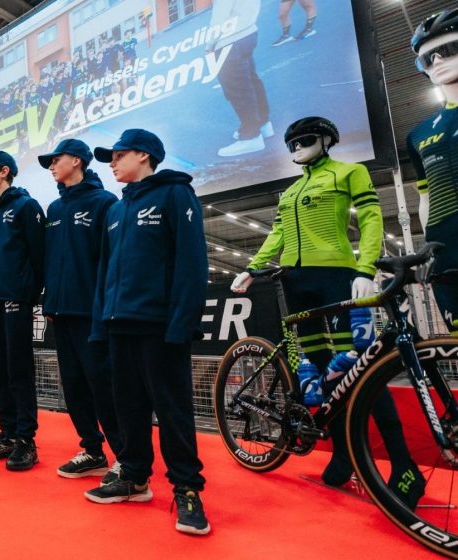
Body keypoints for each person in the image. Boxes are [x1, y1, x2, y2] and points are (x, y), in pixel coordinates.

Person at [232, 117, 425, 503]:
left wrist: (365, 267)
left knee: (361, 367)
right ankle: (342, 455)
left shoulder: (349, 172)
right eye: (290, 144)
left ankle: (403, 464)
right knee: (320, 370)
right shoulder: (290, 191)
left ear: (326, 140)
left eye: (304, 140)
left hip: (337, 275)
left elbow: (370, 218)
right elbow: (278, 234)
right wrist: (253, 267)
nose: (296, 148)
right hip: (295, 281)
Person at [87, 129, 210, 536]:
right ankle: (135, 476)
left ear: (143, 155)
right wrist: (100, 325)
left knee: (173, 411)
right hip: (118, 324)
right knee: (128, 408)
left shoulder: (175, 194)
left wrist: (182, 323)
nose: (111, 162)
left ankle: (187, 489)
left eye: (118, 155)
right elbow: (105, 272)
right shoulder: (115, 210)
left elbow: (192, 261)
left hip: (160, 326)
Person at [38, 139, 123, 478]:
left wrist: (106, 306)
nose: (51, 166)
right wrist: (49, 300)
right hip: (61, 312)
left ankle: (126, 456)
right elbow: (50, 259)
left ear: (76, 160)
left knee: (103, 384)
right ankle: (92, 449)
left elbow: (111, 260)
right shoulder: (55, 209)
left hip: (93, 313)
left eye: (55, 160)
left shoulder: (105, 202)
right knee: (73, 386)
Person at [0, 150, 46, 471]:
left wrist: (28, 293)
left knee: (18, 370)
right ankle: (8, 432)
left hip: (15, 299)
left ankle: (26, 439)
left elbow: (39, 255)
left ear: (4, 171)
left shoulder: (26, 206)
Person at [409, 10, 458, 337]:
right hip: (446, 250)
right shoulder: (418, 134)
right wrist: (427, 245)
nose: (438, 60)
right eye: (428, 58)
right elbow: (425, 198)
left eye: (449, 49)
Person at [210, 0, 272, 158]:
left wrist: (209, 45)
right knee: (251, 81)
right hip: (248, 31)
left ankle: (251, 136)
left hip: (230, 40)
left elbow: (219, 17)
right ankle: (263, 124)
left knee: (238, 89)